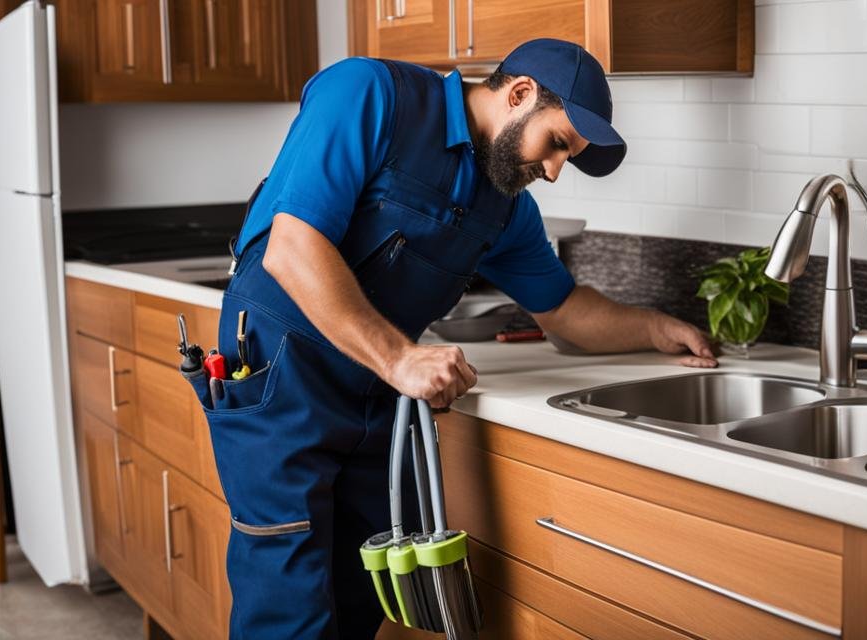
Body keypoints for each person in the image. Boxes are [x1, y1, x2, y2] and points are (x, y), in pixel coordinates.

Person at [199, 38, 717, 639]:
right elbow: (293, 247)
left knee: (358, 602)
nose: (553, 171)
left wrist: (657, 327)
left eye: (566, 159)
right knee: (289, 609)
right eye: (555, 144)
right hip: (280, 383)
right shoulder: (368, 94)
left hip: (375, 402)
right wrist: (399, 358)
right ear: (520, 94)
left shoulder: (504, 206)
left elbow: (565, 312)